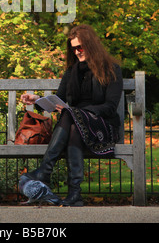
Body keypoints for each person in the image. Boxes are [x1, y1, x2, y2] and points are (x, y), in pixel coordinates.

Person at [21, 24, 123, 207]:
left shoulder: (111, 69)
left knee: (72, 116)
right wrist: (37, 99)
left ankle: (45, 171)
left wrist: (82, 113)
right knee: (73, 121)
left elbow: (110, 106)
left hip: (102, 125)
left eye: (80, 47)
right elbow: (58, 100)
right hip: (75, 126)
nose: (77, 52)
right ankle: (74, 194)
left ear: (91, 45)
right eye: (74, 48)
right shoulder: (72, 71)